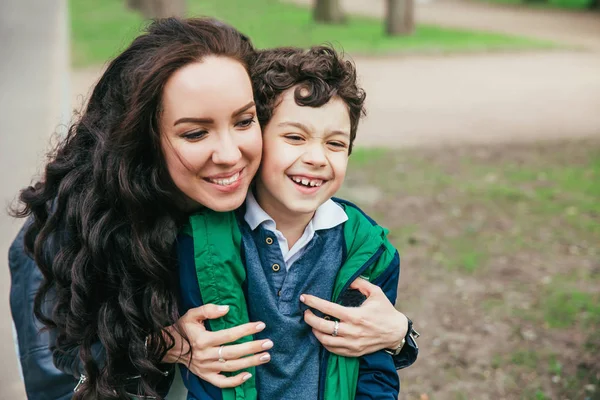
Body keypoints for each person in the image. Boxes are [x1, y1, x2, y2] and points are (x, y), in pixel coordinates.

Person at [9, 17, 417, 399]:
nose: (229, 154)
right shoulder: (62, 240)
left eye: (243, 122)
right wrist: (163, 345)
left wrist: (398, 334)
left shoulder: (259, 215)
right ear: (142, 138)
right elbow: (61, 383)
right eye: (196, 132)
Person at [177, 45, 417, 400]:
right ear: (256, 138)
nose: (317, 158)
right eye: (295, 137)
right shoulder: (200, 238)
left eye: (335, 143)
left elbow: (374, 370)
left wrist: (398, 334)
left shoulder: (368, 249)